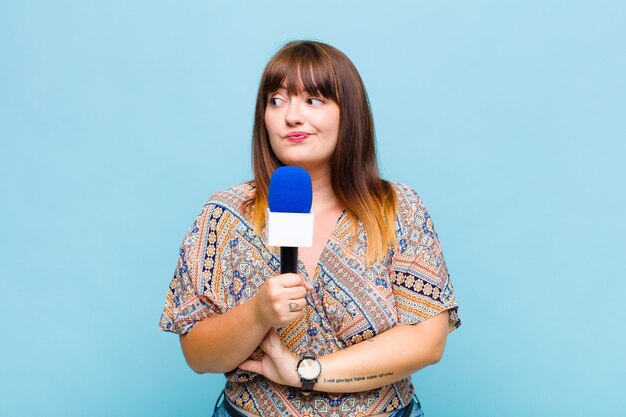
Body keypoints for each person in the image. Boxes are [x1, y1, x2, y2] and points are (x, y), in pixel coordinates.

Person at [159, 40, 461, 417]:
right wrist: (256, 314)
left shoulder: (398, 209)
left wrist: (306, 372)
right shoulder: (224, 214)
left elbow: (426, 341)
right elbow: (197, 354)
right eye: (277, 100)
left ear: (348, 114)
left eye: (313, 100)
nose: (292, 117)